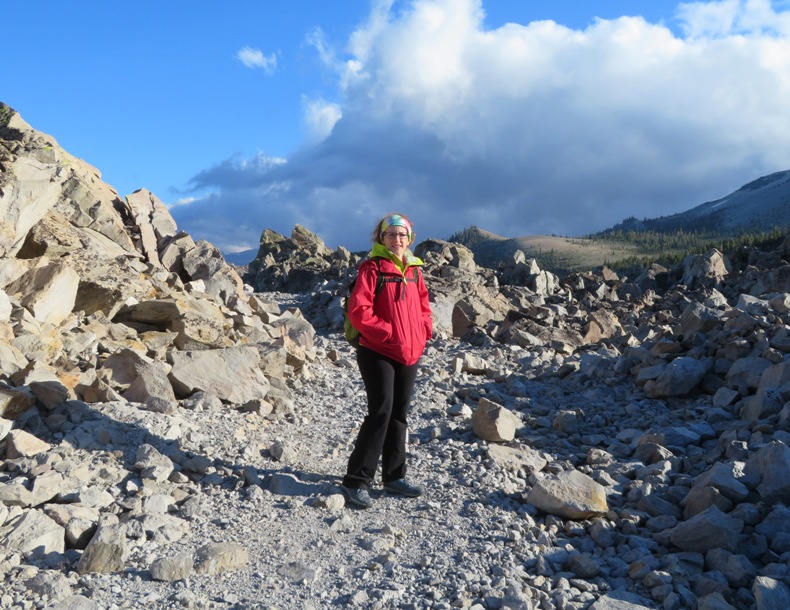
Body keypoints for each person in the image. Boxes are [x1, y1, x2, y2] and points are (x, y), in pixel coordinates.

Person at [341, 213, 433, 508]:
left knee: (399, 414)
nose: (397, 240)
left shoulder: (415, 270)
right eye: (391, 235)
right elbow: (358, 310)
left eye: (402, 235)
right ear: (380, 238)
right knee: (380, 411)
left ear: (410, 239)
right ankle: (356, 481)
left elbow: (422, 305)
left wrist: (423, 331)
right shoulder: (372, 268)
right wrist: (387, 332)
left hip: (409, 350)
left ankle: (394, 477)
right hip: (377, 350)